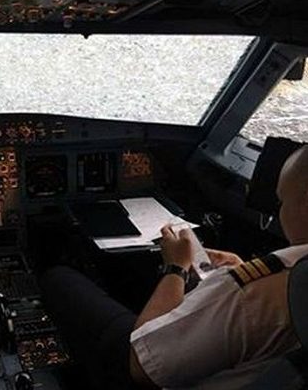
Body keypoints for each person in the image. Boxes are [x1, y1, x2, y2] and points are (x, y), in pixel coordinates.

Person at [40, 145, 308, 389]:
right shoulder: (271, 282)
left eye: (281, 201)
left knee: (59, 279)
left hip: (147, 374)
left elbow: (142, 365)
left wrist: (176, 268)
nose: (279, 211)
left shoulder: (253, 291)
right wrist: (243, 268)